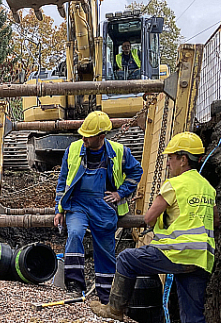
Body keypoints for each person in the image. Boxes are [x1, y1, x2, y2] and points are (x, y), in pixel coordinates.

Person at [89, 131, 219, 323]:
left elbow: (149, 218)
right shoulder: (207, 187)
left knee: (126, 259)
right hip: (201, 257)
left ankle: (114, 310)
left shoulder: (174, 185)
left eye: (171, 158)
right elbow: (215, 220)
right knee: (193, 316)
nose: (168, 163)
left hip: (177, 252)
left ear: (183, 159)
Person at [54, 111, 143, 304]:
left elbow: (136, 172)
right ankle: (75, 286)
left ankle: (106, 297)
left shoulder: (119, 152)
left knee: (104, 249)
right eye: (83, 133)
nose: (83, 137)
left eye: (88, 135)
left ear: (102, 137)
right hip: (77, 203)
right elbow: (63, 182)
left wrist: (120, 193)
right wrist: (59, 209)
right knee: (75, 233)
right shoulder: (73, 150)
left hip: (103, 206)